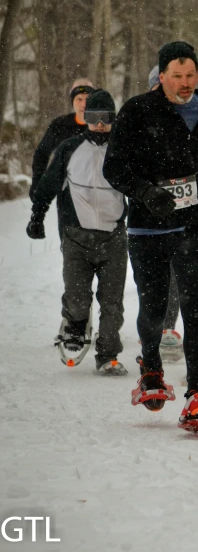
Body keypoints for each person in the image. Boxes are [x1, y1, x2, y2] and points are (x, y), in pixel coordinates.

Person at [104, 41, 198, 432]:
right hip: (148, 227)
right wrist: (146, 192)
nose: (185, 83)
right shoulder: (137, 111)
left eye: (191, 75)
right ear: (161, 75)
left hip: (193, 226)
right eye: (176, 76)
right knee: (154, 306)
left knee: (197, 308)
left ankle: (197, 391)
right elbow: (113, 168)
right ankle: (151, 368)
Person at [27, 90, 128, 376]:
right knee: (78, 296)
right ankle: (75, 322)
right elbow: (47, 186)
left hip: (113, 238)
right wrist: (37, 216)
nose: (99, 124)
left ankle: (108, 354)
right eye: (93, 117)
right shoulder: (70, 149)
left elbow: (140, 186)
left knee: (112, 303)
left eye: (106, 118)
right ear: (85, 119)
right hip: (76, 237)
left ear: (113, 120)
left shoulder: (123, 150)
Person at [147, 64, 182, 357]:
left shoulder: (189, 118)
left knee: (175, 274)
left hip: (181, 212)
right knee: (150, 278)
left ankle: (169, 328)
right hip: (147, 214)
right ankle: (152, 329)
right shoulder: (137, 118)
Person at [31, 78, 95, 229]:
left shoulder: (102, 124)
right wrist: (37, 182)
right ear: (72, 101)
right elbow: (41, 153)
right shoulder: (60, 125)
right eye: (79, 99)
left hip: (98, 192)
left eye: (88, 99)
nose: (84, 104)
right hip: (68, 195)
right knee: (71, 243)